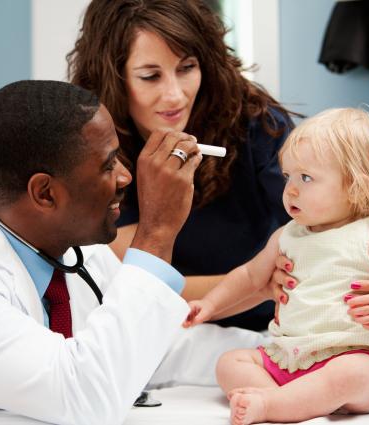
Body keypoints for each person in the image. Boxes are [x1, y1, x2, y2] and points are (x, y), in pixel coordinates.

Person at [0, 80, 268, 425]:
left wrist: (290, 360)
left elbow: (158, 349)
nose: (127, 177)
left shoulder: (76, 253)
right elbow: (84, 397)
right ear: (45, 192)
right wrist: (157, 231)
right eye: (109, 164)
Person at [67, 0, 297, 331]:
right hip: (163, 331)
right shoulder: (95, 153)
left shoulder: (254, 122)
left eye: (187, 68)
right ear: (113, 79)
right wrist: (258, 285)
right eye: (150, 76)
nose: (175, 96)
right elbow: (136, 286)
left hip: (268, 325)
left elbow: (327, 214)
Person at [183, 108, 369, 424]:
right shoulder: (287, 236)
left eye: (306, 178)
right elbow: (250, 276)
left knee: (353, 372)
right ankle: (290, 400)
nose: (290, 189)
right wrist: (209, 304)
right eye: (287, 176)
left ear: (356, 186)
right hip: (291, 359)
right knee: (230, 363)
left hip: (355, 355)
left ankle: (274, 405)